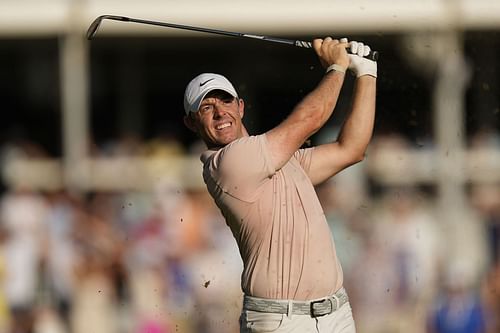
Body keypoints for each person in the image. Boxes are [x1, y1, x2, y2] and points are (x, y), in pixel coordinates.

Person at [183, 37, 377, 333]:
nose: (220, 112)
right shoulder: (227, 163)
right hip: (280, 322)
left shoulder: (281, 160)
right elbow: (309, 119)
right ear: (192, 123)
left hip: (336, 313)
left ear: (241, 107)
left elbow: (351, 148)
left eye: (225, 101)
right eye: (206, 108)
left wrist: (366, 72)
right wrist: (337, 66)